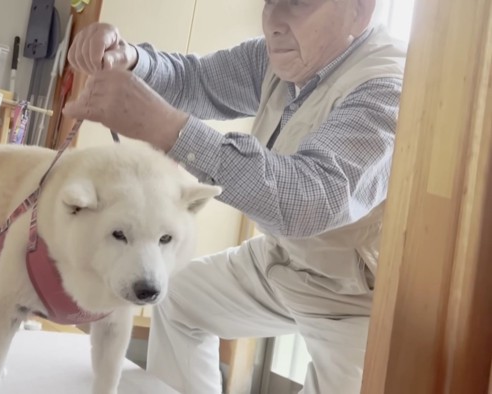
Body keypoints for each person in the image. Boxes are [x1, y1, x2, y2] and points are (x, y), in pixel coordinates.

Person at [63, 0, 407, 392]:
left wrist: (168, 130)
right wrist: (132, 60)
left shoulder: (387, 86)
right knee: (177, 299)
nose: (274, 21)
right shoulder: (281, 58)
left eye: (297, 3)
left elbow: (310, 199)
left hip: (355, 299)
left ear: (359, 10)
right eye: (269, 1)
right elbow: (197, 81)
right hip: (285, 261)